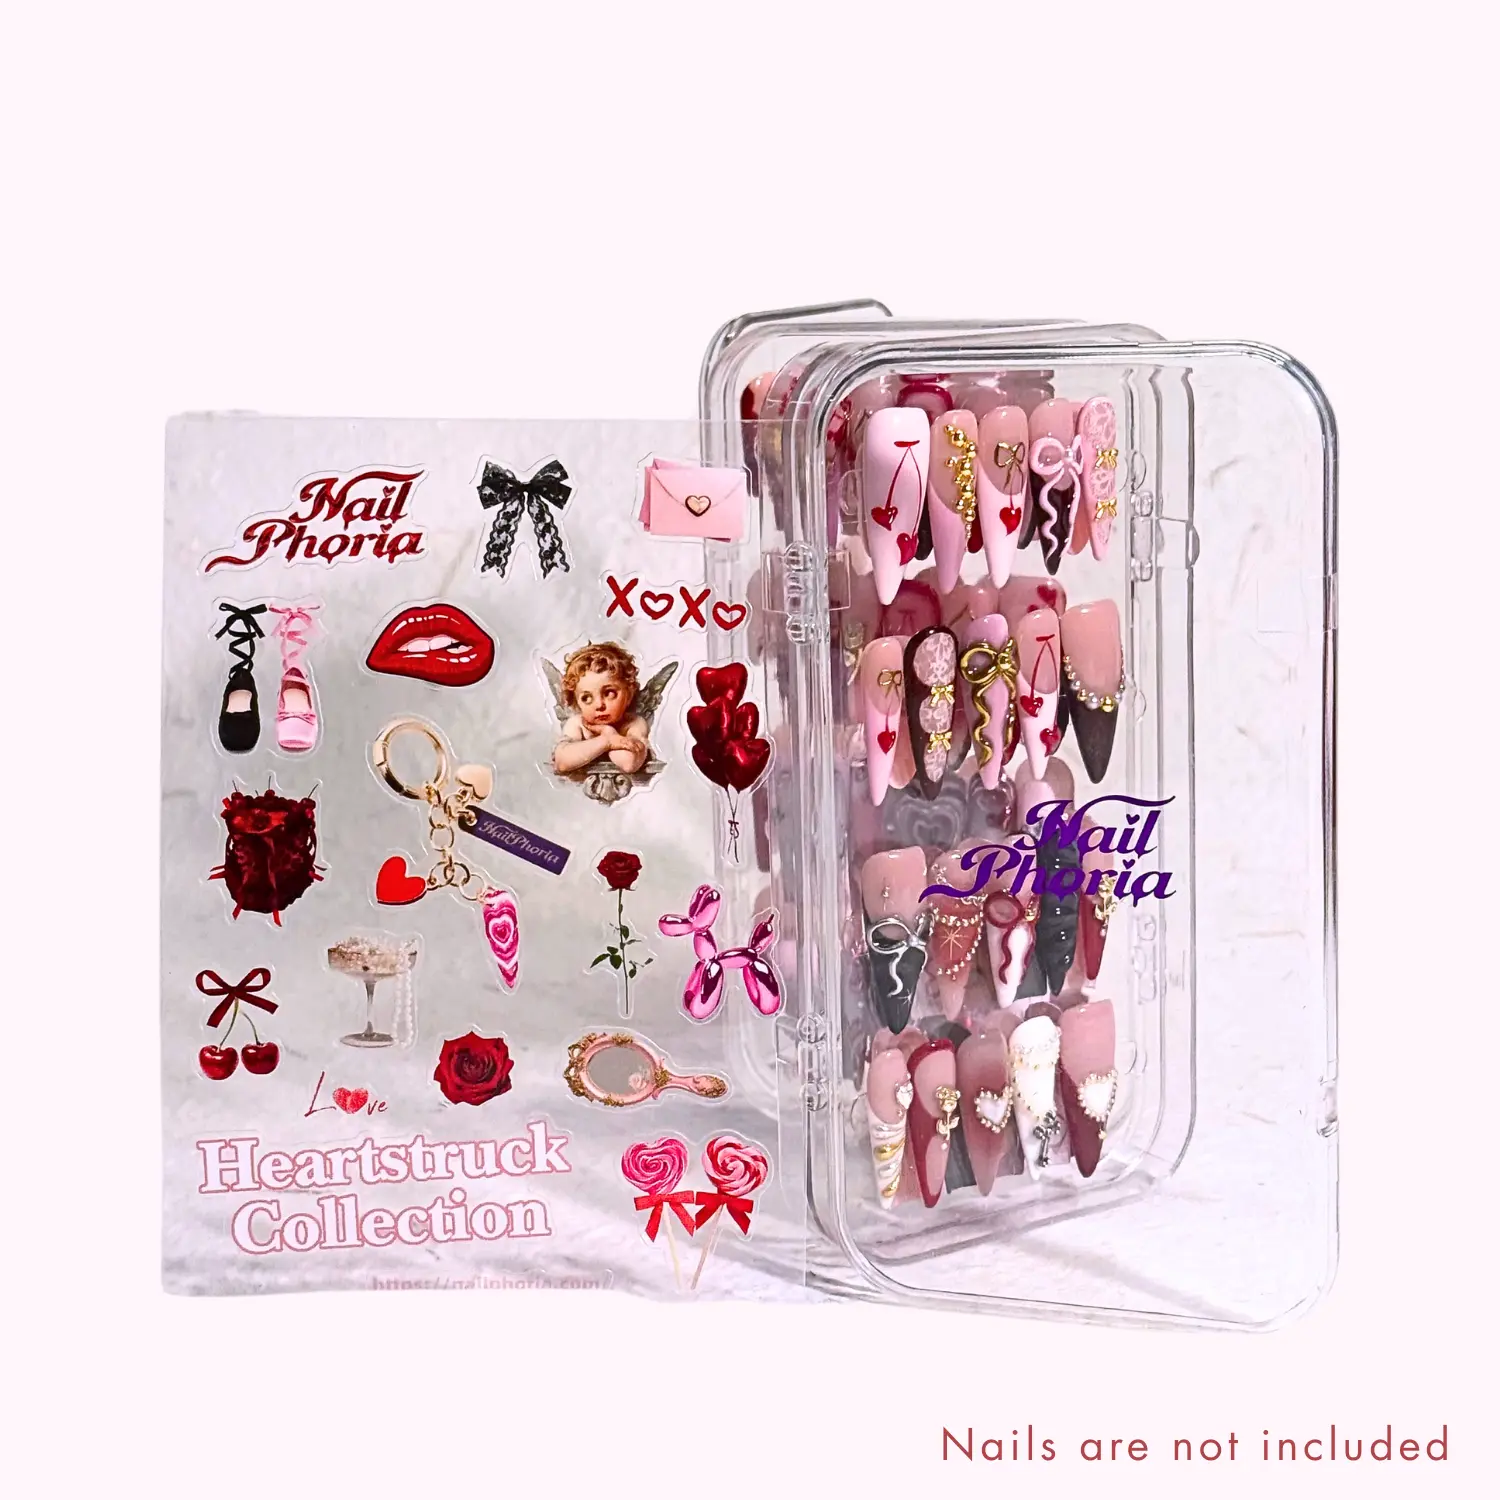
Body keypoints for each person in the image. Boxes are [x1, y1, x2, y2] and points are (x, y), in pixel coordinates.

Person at [551, 641, 650, 776]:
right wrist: (607, 741)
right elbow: (562, 762)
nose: (599, 705)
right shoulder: (578, 724)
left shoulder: (633, 723)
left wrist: (610, 734)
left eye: (609, 693)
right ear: (577, 703)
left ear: (629, 694)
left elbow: (629, 763)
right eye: (586, 698)